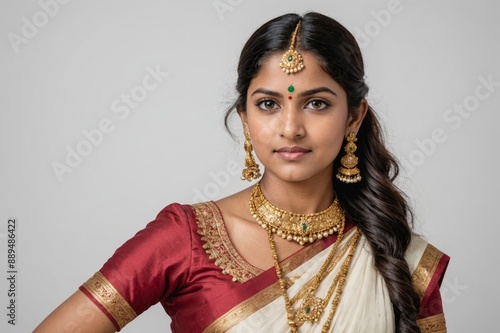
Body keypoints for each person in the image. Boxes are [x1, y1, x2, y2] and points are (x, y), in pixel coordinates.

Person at [34, 12, 449, 333]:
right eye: (269, 104)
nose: (290, 127)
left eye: (317, 103)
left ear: (354, 117)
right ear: (245, 117)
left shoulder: (399, 256)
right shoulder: (186, 237)